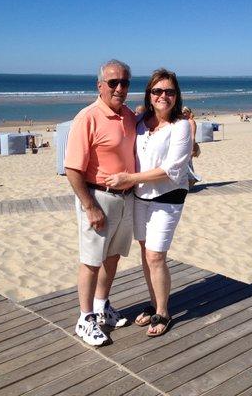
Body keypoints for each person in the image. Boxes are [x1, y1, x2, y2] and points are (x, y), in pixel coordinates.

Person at [105, 68, 192, 337]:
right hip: (140, 198)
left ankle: (163, 312)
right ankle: (154, 302)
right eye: (157, 91)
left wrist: (128, 177)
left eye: (169, 91)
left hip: (168, 200)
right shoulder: (141, 120)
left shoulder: (181, 127)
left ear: (176, 96)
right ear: (149, 95)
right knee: (146, 254)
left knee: (156, 256)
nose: (163, 96)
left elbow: (171, 169)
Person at [64, 59, 136, 346]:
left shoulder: (129, 115)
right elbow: (72, 168)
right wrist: (89, 206)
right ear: (100, 85)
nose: (119, 88)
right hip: (98, 197)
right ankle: (85, 318)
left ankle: (101, 305)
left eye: (125, 82)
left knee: (112, 256)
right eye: (113, 82)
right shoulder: (88, 117)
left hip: (125, 198)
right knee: (91, 261)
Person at [182, 106, 202, 188]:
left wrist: (192, 147)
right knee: (187, 165)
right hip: (185, 146)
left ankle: (193, 180)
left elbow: (193, 136)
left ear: (188, 113)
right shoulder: (185, 121)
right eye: (182, 112)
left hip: (189, 146)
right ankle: (191, 181)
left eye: (185, 112)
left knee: (187, 164)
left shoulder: (191, 122)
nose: (183, 113)